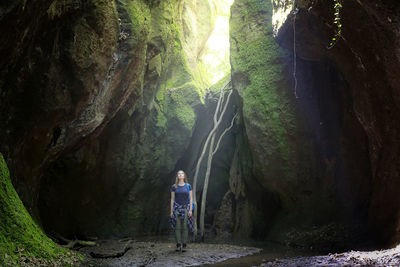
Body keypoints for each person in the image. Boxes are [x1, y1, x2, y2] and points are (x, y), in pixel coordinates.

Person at [170, 170, 194, 252]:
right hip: (177, 208)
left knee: (184, 226)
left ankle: (184, 245)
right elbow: (172, 199)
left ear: (184, 176)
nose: (180, 175)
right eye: (179, 174)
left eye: (182, 173)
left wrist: (190, 210)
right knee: (177, 227)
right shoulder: (174, 187)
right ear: (177, 176)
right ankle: (178, 244)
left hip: (186, 208)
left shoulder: (188, 186)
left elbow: (191, 198)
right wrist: (171, 211)